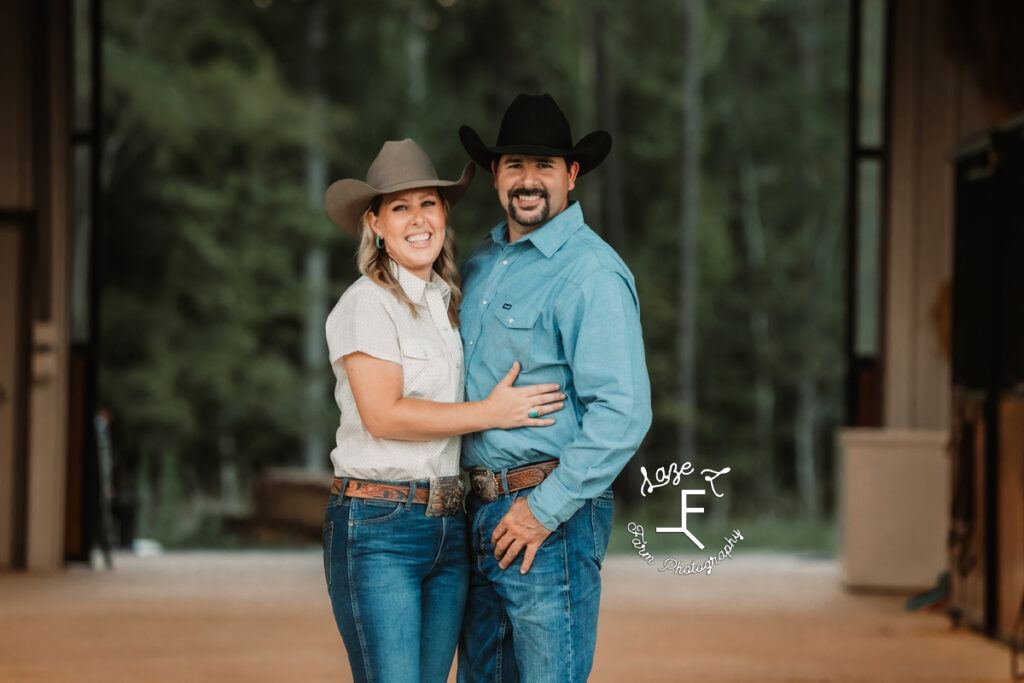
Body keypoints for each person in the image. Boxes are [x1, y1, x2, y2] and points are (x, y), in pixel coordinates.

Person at [321, 138, 567, 683]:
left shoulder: (446, 303)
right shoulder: (366, 304)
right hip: (378, 527)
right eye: (400, 207)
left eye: (428, 203)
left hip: (447, 527)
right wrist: (490, 413)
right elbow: (384, 415)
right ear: (375, 223)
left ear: (445, 213)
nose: (417, 219)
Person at [455, 94, 653, 682]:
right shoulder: (481, 264)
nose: (528, 180)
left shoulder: (591, 272)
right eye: (515, 164)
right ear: (496, 176)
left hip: (549, 519)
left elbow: (623, 412)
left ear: (571, 175)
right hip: (478, 511)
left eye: (545, 166)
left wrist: (542, 512)